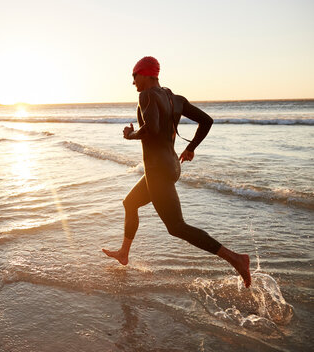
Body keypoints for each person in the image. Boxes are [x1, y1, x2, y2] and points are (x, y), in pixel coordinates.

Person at [102, 56, 252, 288]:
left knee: (176, 227)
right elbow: (207, 121)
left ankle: (236, 259)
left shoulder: (147, 95)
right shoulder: (175, 98)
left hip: (158, 171)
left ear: (146, 74)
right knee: (130, 203)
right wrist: (190, 147)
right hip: (171, 166)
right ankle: (123, 252)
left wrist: (129, 135)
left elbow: (151, 129)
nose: (133, 83)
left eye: (134, 76)